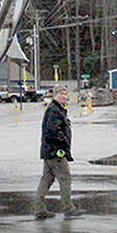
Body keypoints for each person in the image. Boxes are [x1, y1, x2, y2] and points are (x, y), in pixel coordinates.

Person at [34, 86, 83, 219]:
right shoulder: (54, 111)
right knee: (65, 178)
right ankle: (68, 207)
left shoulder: (57, 110)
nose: (64, 96)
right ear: (55, 95)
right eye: (61, 93)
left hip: (49, 150)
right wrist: (63, 142)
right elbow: (53, 131)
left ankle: (39, 209)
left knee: (47, 179)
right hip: (55, 151)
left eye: (65, 93)